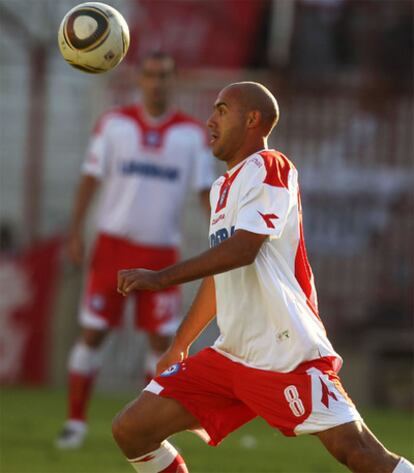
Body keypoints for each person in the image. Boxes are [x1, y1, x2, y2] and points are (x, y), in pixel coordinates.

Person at [113, 82, 414, 473]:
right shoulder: (224, 186)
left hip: (284, 351)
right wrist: (180, 343)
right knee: (132, 429)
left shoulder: (271, 166)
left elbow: (243, 250)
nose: (210, 121)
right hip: (232, 354)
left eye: (221, 110)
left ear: (252, 120)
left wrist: (162, 278)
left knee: (360, 455)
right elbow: (223, 271)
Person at [55, 51, 215, 449]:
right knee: (93, 333)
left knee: (161, 344)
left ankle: (150, 429)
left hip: (161, 254)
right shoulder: (114, 125)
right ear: (139, 80)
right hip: (112, 248)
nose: (156, 82)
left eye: (164, 76)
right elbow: (90, 179)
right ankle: (75, 423)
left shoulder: (191, 135)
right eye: (150, 75)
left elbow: (204, 194)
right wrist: (75, 231)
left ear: (172, 81)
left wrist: (221, 238)